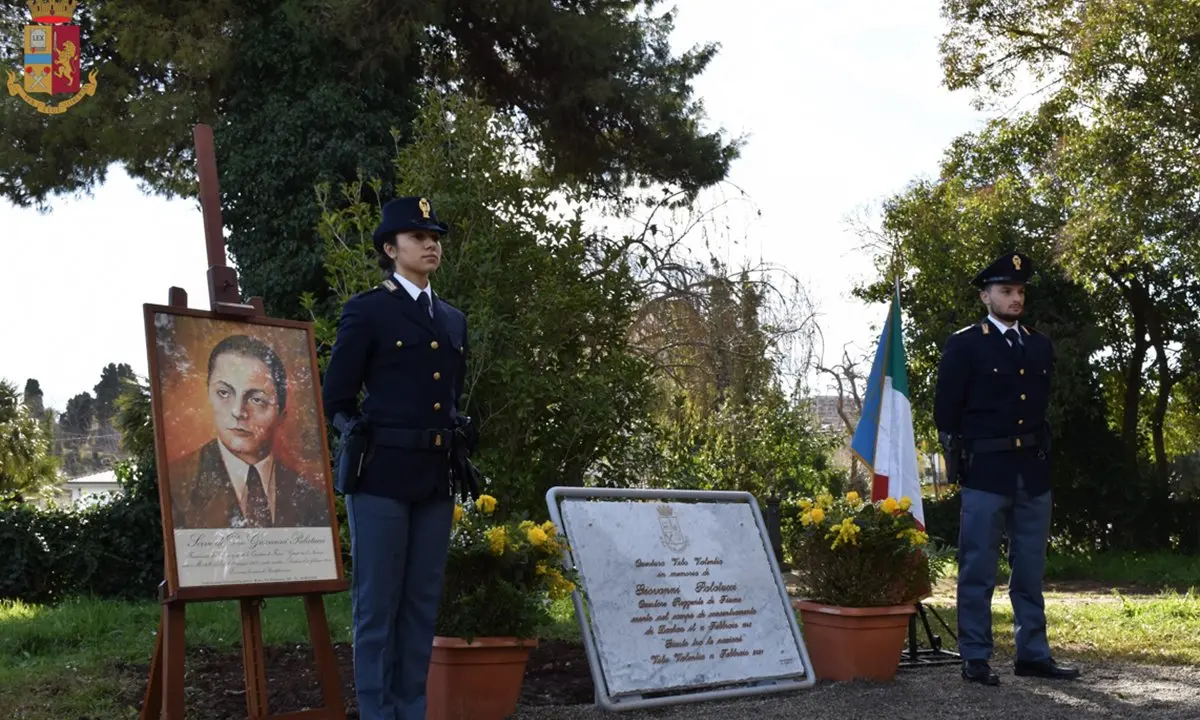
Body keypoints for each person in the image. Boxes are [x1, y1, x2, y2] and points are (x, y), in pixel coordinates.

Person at [321, 196, 470, 720]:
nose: (431, 244)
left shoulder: (452, 320)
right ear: (391, 248)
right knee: (377, 608)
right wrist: (356, 433)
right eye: (417, 236)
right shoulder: (368, 309)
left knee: (421, 605)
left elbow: (449, 399)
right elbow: (334, 398)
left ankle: (412, 710)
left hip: (434, 478)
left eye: (435, 237)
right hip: (380, 477)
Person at [933, 252, 1080, 686]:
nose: (1015, 298)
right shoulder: (965, 343)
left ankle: (1032, 653)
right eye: (1005, 291)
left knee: (1030, 569)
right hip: (985, 470)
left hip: (1032, 472)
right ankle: (975, 655)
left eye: (1019, 292)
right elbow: (946, 412)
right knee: (978, 567)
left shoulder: (1038, 344)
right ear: (985, 296)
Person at [169, 334, 330, 529]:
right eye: (224, 393)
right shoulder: (177, 485)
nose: (238, 411)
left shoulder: (311, 496)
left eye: (256, 399)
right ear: (208, 395)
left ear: (281, 416)